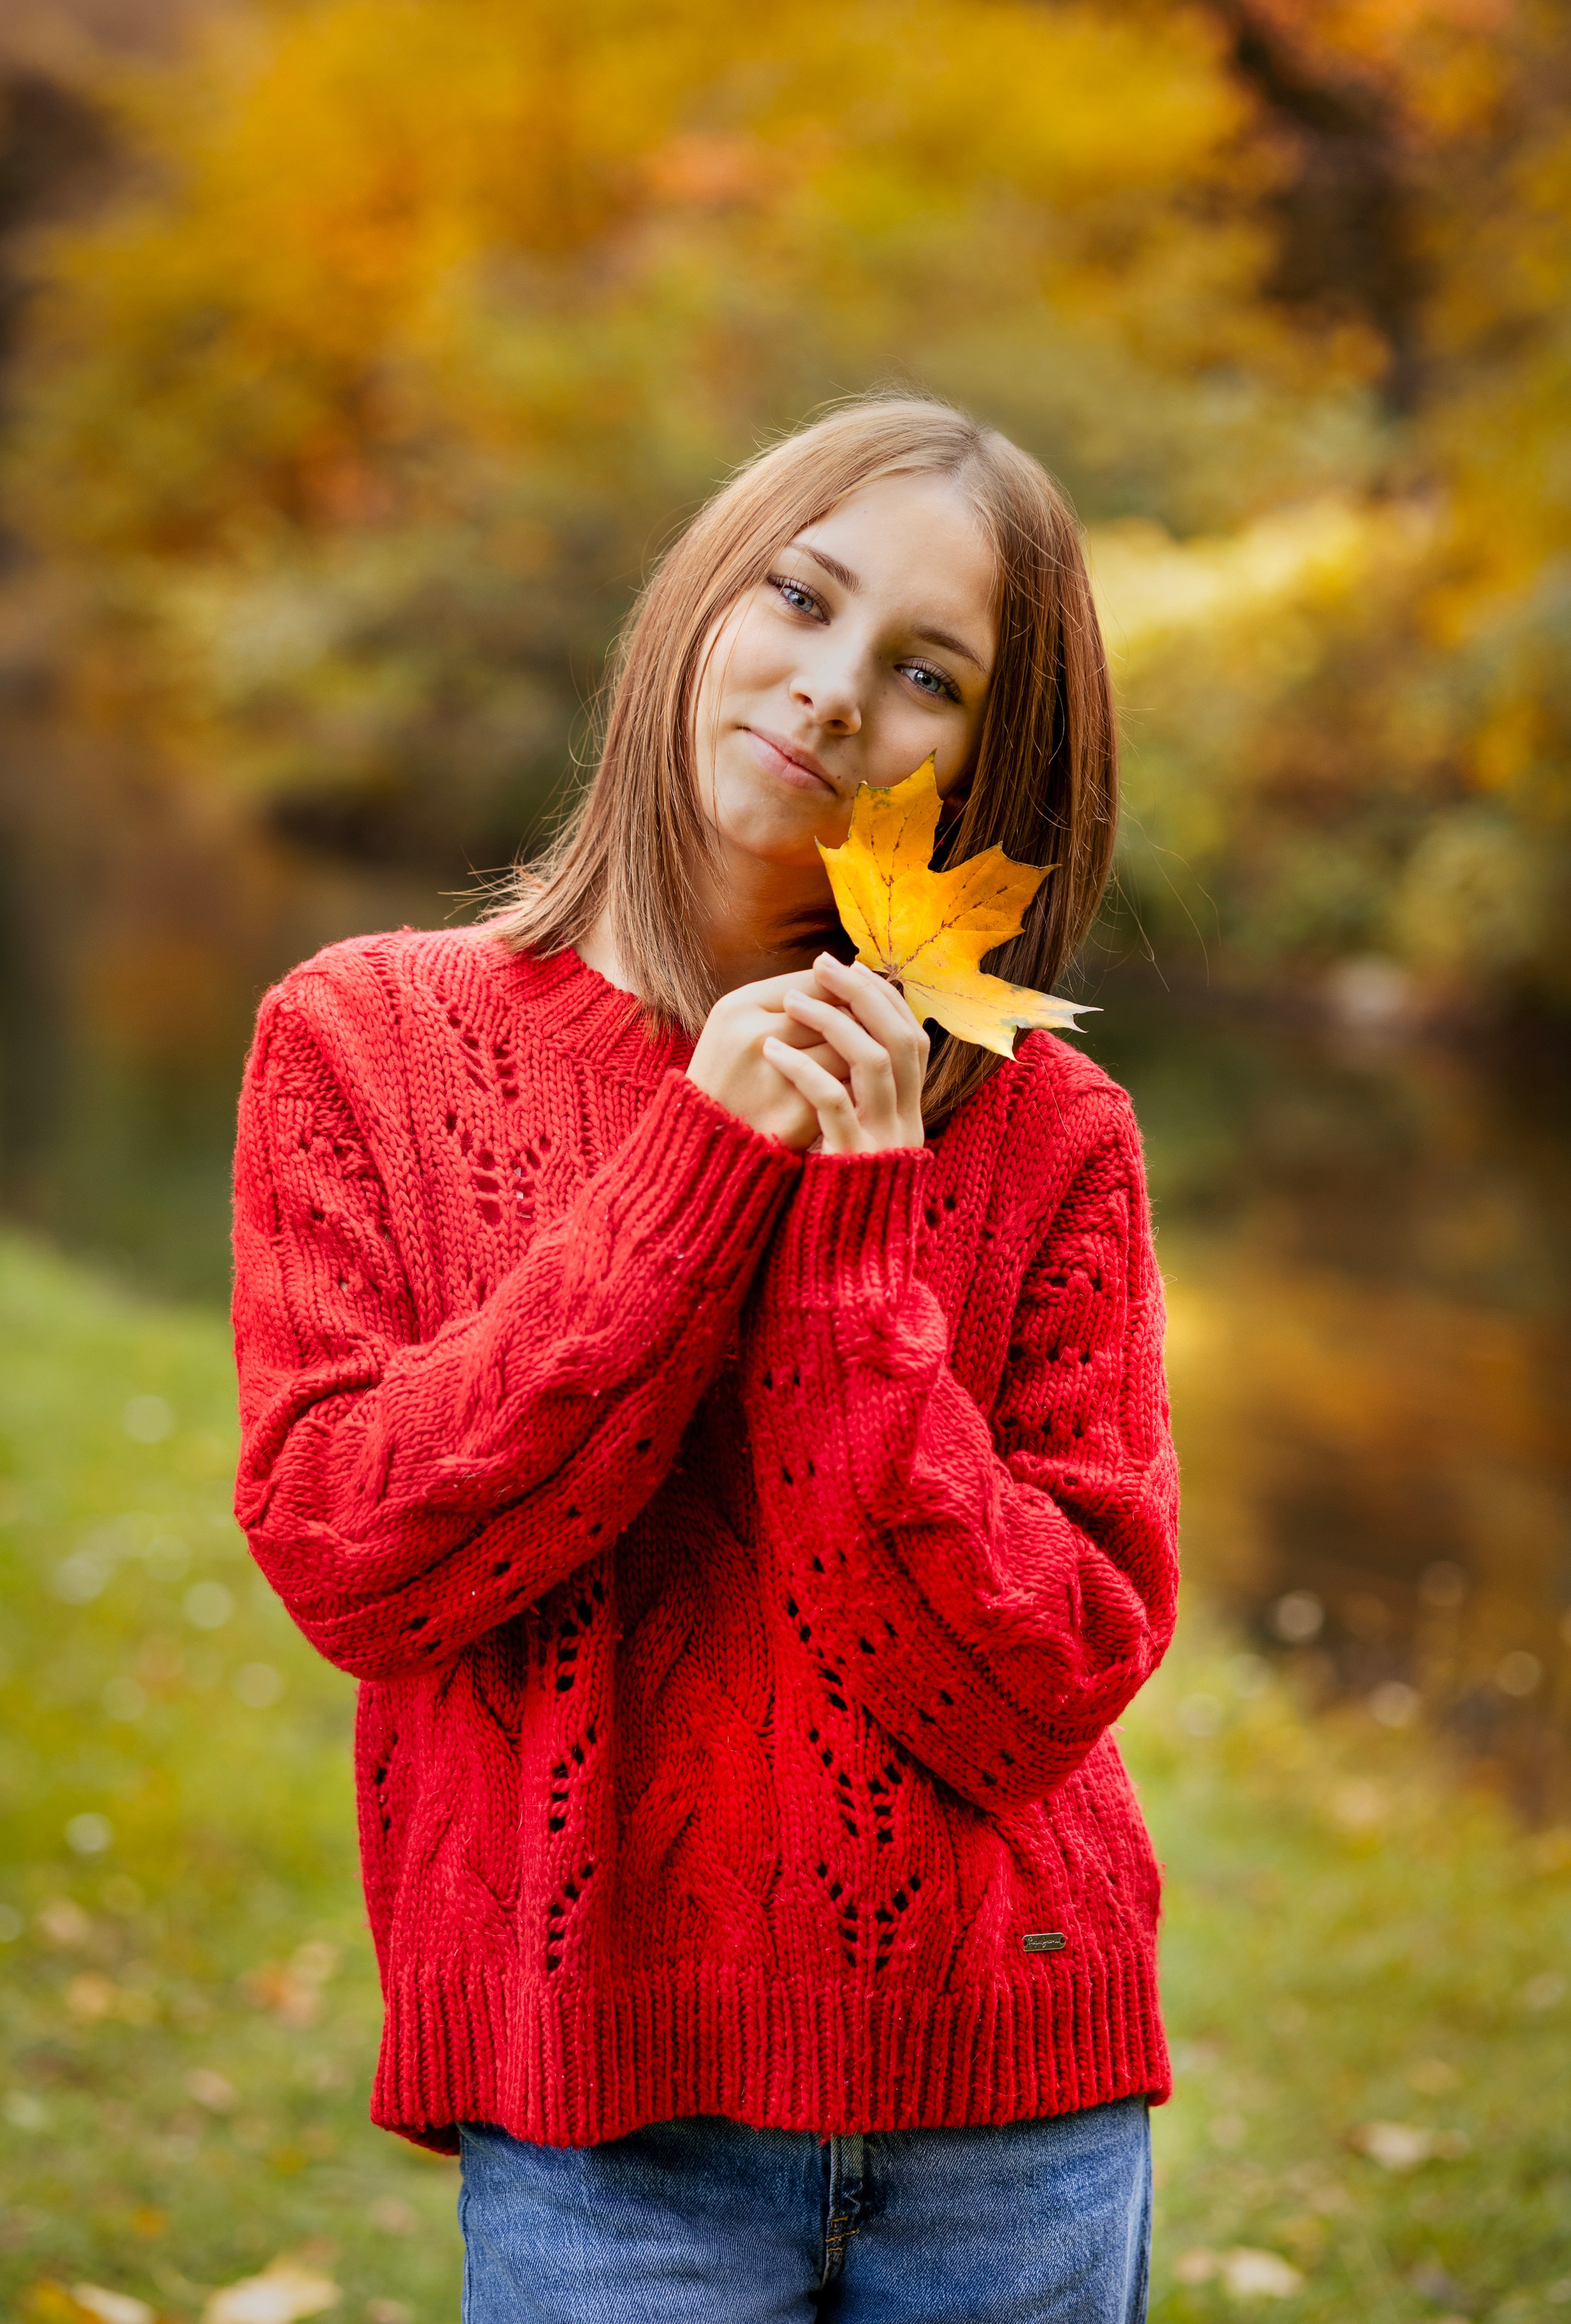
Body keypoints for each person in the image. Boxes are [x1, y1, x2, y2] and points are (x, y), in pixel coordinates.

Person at [230, 393, 1180, 2323]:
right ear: (695, 603)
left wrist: (851, 1238)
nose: (834, 694)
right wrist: (696, 1168)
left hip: (1014, 2113)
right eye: (802, 599)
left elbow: (1047, 1675)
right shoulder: (362, 1043)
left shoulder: (1052, 1132)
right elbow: (360, 1557)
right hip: (607, 2128)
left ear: (995, 766)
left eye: (928, 674)